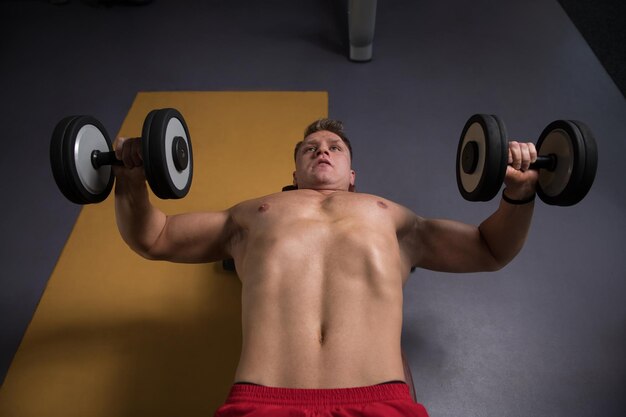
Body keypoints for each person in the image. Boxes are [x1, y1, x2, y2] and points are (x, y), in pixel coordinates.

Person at [113, 118, 538, 417]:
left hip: (380, 403)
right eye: (310, 148)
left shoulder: (390, 215)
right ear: (294, 172)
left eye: (335, 148)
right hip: (262, 402)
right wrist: (129, 180)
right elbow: (156, 236)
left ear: (352, 175)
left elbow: (489, 249)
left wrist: (519, 195)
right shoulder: (253, 213)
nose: (322, 150)